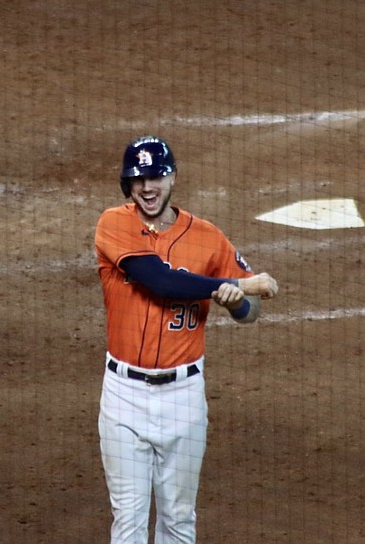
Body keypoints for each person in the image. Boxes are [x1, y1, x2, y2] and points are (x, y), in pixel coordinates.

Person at [94, 135, 279, 544]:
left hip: (184, 397)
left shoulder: (208, 237)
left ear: (173, 177)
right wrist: (235, 284)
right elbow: (160, 280)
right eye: (138, 179)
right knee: (128, 520)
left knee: (179, 519)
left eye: (156, 176)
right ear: (128, 185)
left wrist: (235, 303)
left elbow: (250, 314)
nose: (147, 187)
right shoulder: (115, 223)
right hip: (124, 396)